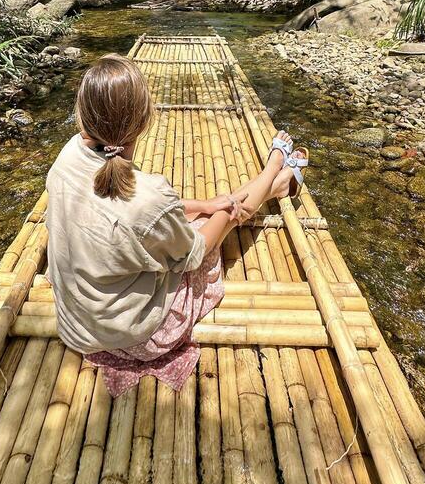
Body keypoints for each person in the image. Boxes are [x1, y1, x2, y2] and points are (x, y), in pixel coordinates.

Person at [46, 53, 307, 396]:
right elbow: (197, 252)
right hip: (131, 336)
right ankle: (275, 171)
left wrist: (201, 205)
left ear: (82, 119)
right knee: (222, 217)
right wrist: (220, 212)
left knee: (206, 213)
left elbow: (128, 213)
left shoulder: (67, 157)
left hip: (79, 324)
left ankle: (274, 183)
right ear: (144, 121)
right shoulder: (151, 196)